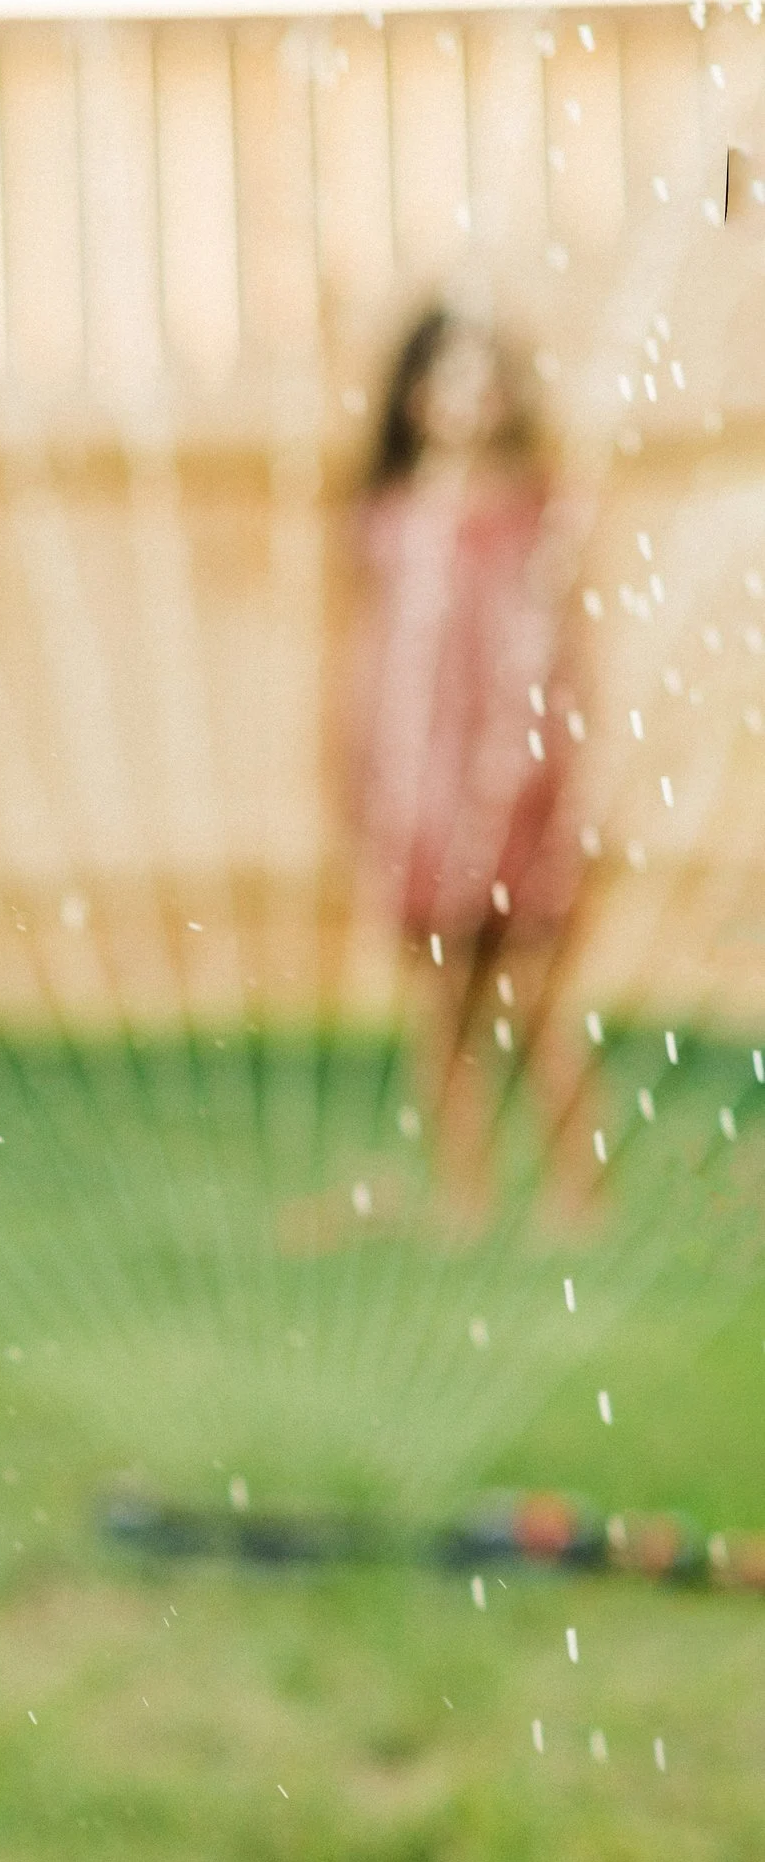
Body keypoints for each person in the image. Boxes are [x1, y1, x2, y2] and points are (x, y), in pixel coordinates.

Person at [349, 301, 599, 1224]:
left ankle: (580, 1190)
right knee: (443, 999)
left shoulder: (540, 509)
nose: (465, 394)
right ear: (412, 395)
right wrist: (352, 780)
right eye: (445, 375)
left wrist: (579, 775)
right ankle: (468, 1195)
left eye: (481, 372)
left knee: (535, 993)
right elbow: (356, 656)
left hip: (523, 781)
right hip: (422, 787)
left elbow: (574, 649)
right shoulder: (389, 517)